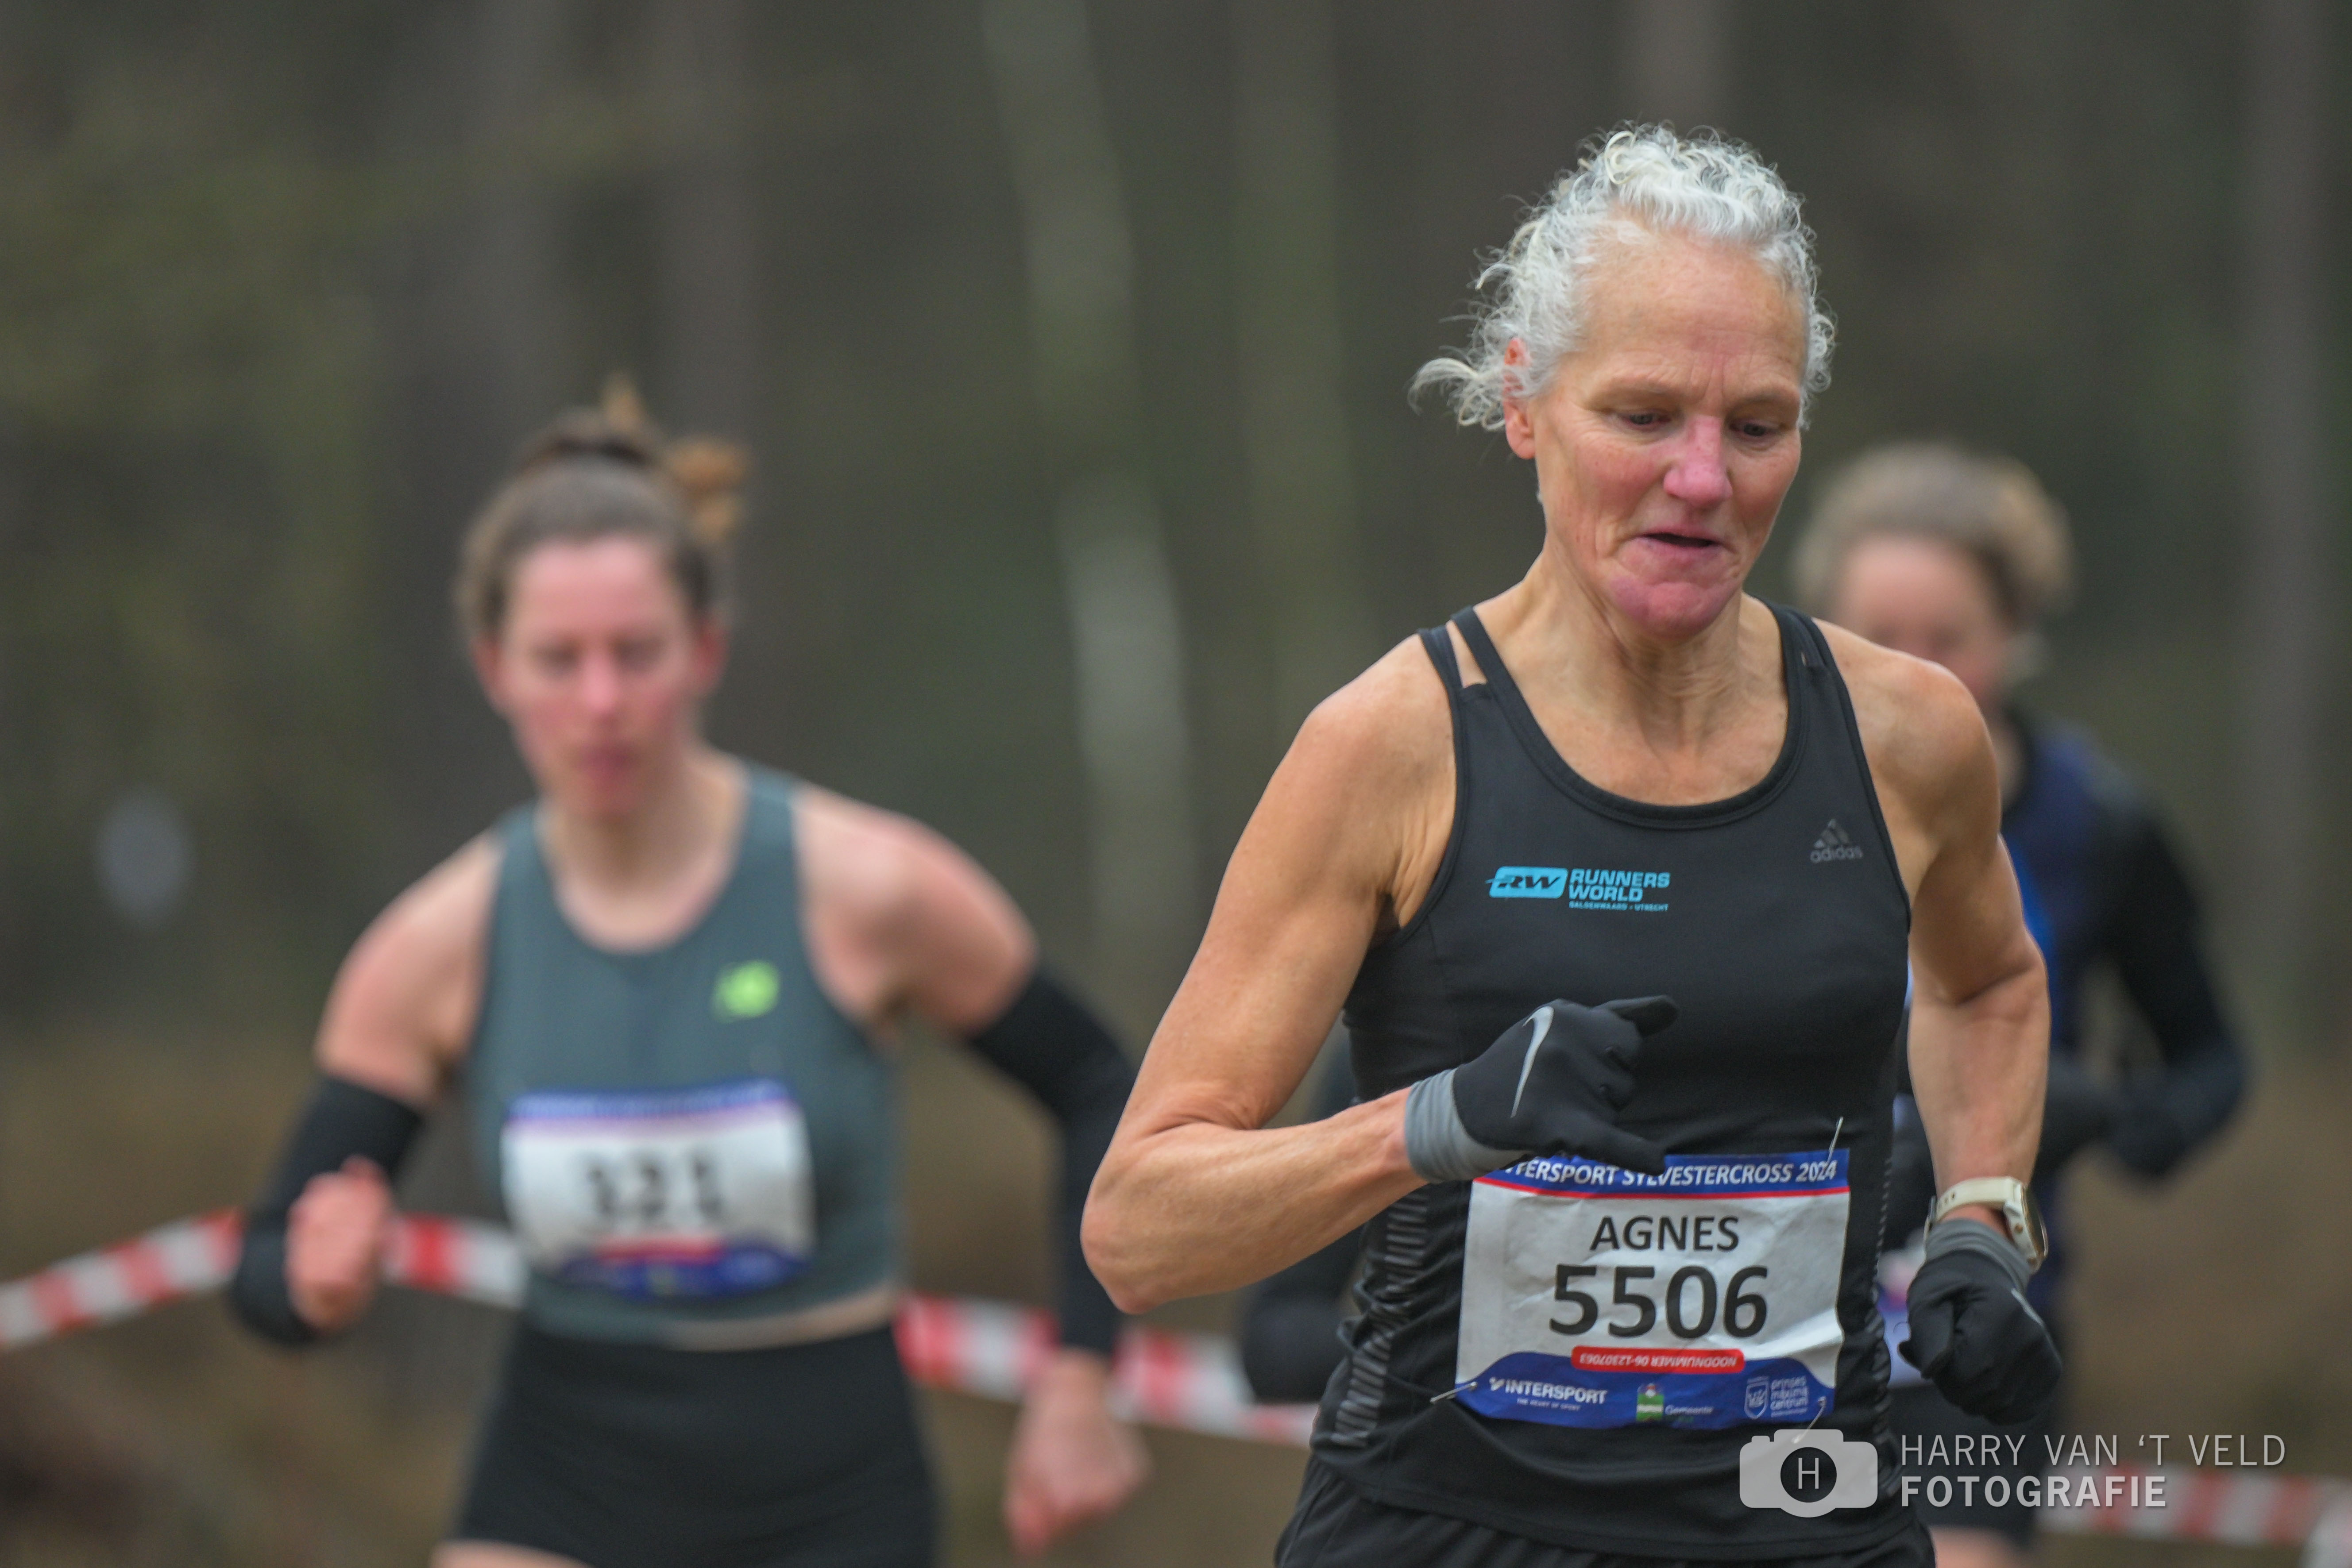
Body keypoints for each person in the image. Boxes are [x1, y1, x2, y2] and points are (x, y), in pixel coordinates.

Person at [1084, 126, 2061, 1566]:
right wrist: (1435, 1122)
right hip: (1449, 1531)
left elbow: (1988, 985)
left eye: (1756, 426)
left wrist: (1980, 1217)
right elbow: (1140, 1227)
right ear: (1522, 403)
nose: (1701, 479)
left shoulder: (1906, 735)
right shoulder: (1394, 745)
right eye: (1644, 414)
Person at [228, 386, 1147, 1568]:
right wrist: (314, 1284)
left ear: (705, 648)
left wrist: (1080, 1377)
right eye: (557, 660)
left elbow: (1097, 1085)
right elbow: (264, 1263)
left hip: (831, 1495)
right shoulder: (436, 946)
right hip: (561, 1483)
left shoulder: (866, 888)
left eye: (636, 653)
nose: (600, 702)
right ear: (493, 667)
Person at [1795, 442, 2248, 1568]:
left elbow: (2208, 1053)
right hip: (1766, 1312)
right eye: (1877, 633)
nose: (1911, 667)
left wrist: (2119, 1116)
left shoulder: (2095, 821)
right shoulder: (1740, 795)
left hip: (1978, 1318)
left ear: (2015, 631)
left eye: (1947, 636)